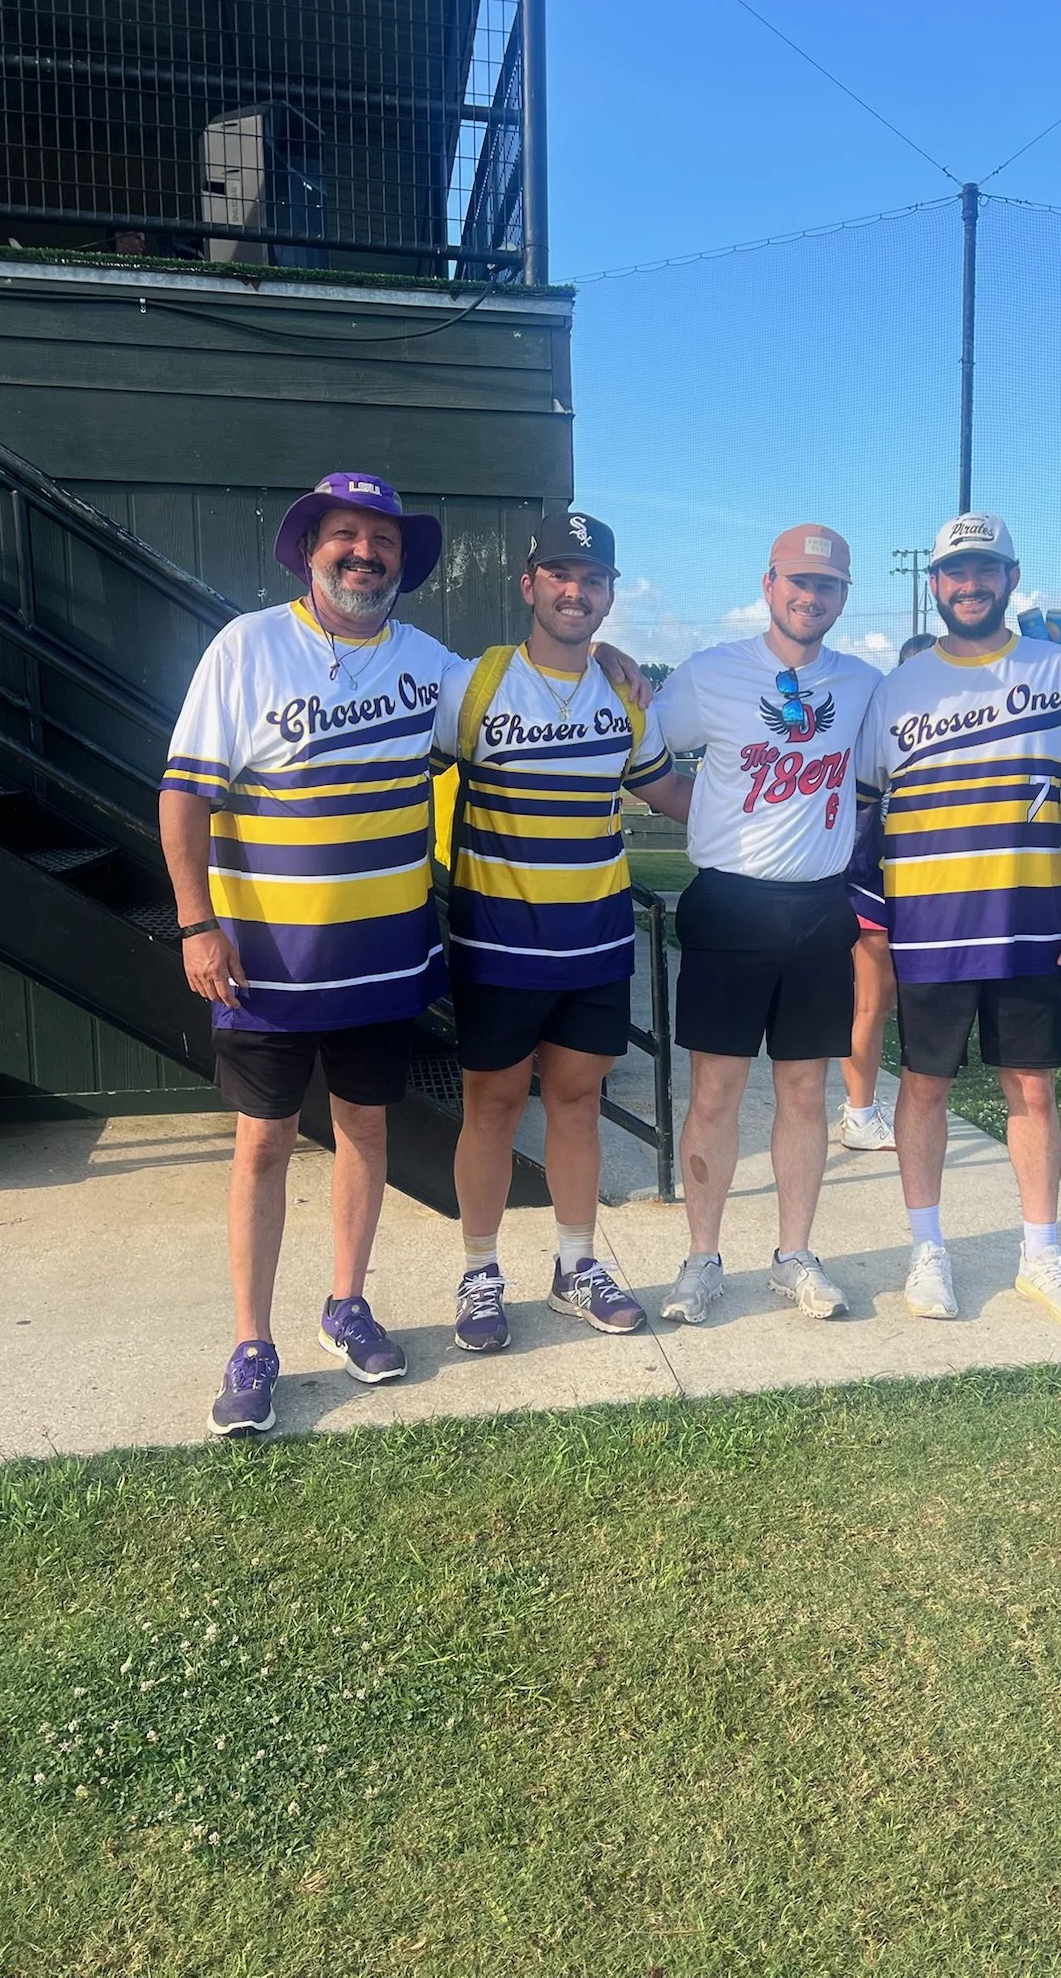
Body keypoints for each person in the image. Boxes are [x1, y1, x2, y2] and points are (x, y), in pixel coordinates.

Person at [162, 475, 652, 1437]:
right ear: (311, 548)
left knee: (366, 1137)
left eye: (381, 542)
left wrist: (609, 656)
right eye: (344, 536)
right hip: (265, 957)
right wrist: (194, 921)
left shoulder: (433, 669)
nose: (363, 554)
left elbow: (533, 683)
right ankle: (250, 1345)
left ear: (401, 562)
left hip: (383, 958)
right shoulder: (249, 646)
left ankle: (348, 1305)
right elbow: (183, 792)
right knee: (261, 1146)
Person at [855, 511, 1061, 1328]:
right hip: (928, 927)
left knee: (1032, 1091)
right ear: (934, 584)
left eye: (984, 570)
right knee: (924, 1087)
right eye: (953, 573)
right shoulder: (895, 689)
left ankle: (1041, 1257)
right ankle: (925, 1251)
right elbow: (867, 815)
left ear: (1010, 578)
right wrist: (873, 930)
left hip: (1032, 924)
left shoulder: (1060, 670)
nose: (968, 585)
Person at [435, 511, 692, 1352]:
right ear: (529, 585)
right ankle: (479, 1274)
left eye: (592, 578)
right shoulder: (471, 686)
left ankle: (575, 1266)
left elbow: (670, 795)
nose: (574, 590)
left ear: (611, 596)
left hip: (594, 940)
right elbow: (392, 770)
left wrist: (793, 811)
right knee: (494, 1106)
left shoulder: (625, 694)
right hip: (496, 942)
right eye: (559, 574)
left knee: (578, 1103)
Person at [652, 525, 882, 1324]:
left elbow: (882, 775)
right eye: (798, 582)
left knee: (805, 1091)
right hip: (730, 901)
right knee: (714, 1092)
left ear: (844, 597)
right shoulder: (711, 673)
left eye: (827, 586)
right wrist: (704, 813)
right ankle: (701, 1261)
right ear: (768, 583)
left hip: (821, 907)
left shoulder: (861, 684)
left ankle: (794, 1257)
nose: (809, 597)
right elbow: (647, 757)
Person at [837, 631, 937, 1151]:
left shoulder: (935, 732)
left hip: (906, 887)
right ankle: (859, 1114)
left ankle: (857, 1102)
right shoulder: (881, 729)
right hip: (866, 882)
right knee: (870, 1006)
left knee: (882, 1000)